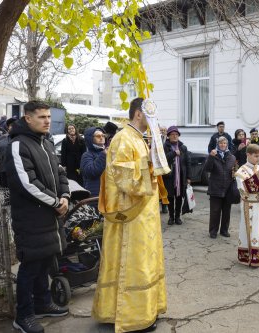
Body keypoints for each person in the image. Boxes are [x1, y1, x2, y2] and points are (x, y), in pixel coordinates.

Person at [92, 97, 167, 333]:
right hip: (131, 215)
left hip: (144, 215)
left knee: (145, 261)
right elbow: (123, 176)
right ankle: (132, 316)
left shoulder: (138, 138)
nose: (153, 121)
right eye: (150, 116)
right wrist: (150, 164)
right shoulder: (125, 137)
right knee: (134, 263)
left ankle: (145, 309)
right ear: (138, 114)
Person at [5, 101, 70, 333]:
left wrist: (65, 195)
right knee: (30, 267)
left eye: (49, 117)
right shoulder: (17, 144)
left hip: (50, 218)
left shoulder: (46, 143)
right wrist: (56, 203)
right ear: (28, 118)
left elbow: (61, 172)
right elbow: (27, 184)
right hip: (31, 220)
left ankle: (43, 303)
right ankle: (23, 316)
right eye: (42, 117)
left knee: (44, 262)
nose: (47, 121)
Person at [235, 144, 259, 267]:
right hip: (248, 205)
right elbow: (244, 188)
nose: (258, 159)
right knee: (249, 231)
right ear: (248, 155)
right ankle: (248, 257)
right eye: (255, 156)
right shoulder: (241, 171)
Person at [205, 136, 236, 238]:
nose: (223, 145)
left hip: (228, 188)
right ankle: (213, 231)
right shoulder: (213, 155)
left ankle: (224, 230)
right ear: (218, 144)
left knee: (226, 212)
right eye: (221, 143)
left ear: (227, 145)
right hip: (215, 187)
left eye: (224, 143)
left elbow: (235, 170)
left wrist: (235, 173)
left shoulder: (232, 157)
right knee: (215, 211)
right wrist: (211, 157)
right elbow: (207, 169)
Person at [163, 126, 191, 225]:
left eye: (176, 135)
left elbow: (188, 163)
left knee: (179, 197)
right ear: (169, 136)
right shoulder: (165, 146)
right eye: (172, 135)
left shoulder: (183, 147)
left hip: (180, 176)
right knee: (170, 197)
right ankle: (171, 217)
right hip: (169, 177)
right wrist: (174, 153)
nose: (174, 136)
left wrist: (188, 177)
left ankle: (178, 217)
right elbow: (164, 159)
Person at [80, 127, 107, 198]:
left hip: (108, 193)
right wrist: (103, 155)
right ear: (90, 138)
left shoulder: (107, 152)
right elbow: (90, 172)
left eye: (103, 135)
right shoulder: (87, 155)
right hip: (95, 195)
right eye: (98, 136)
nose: (101, 138)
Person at [0, 117, 18, 189]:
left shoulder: (23, 138)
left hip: (17, 170)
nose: (13, 127)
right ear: (8, 127)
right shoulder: (2, 138)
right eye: (11, 125)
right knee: (5, 189)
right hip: (3, 168)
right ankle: (6, 200)